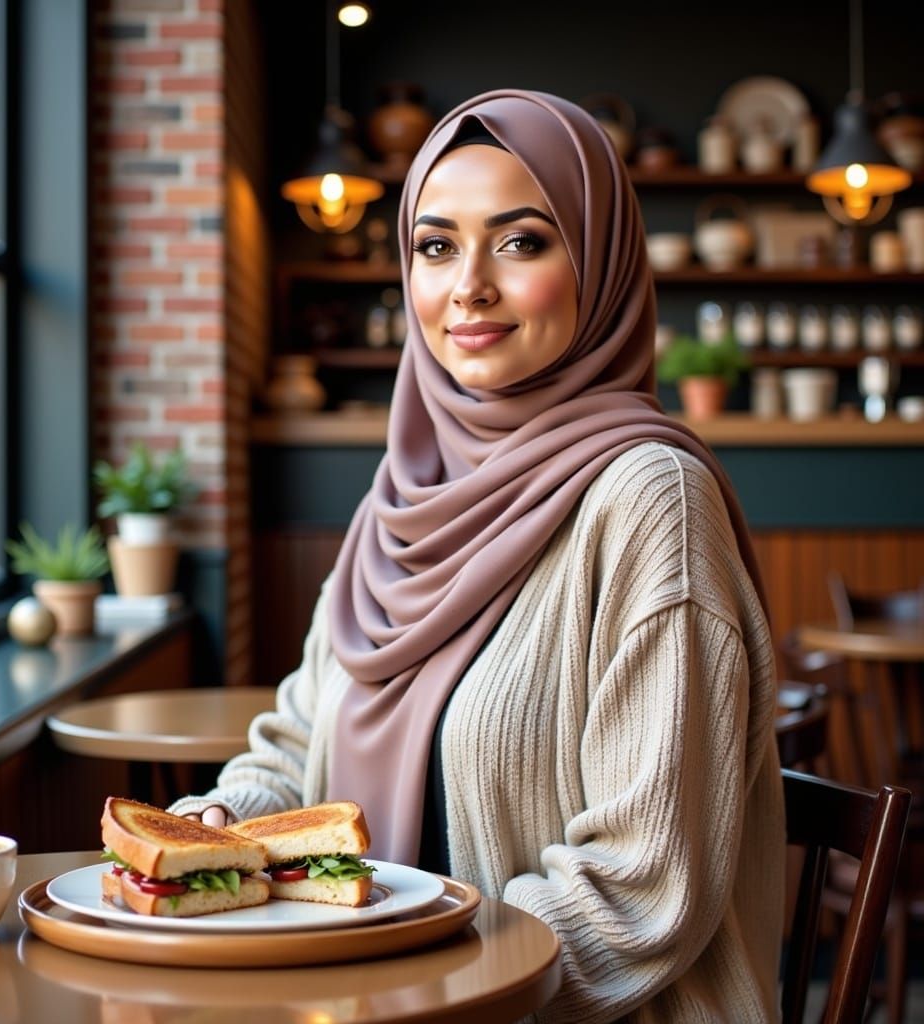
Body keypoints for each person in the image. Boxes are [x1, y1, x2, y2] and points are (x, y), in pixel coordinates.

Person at [171, 89, 784, 1022]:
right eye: (436, 245)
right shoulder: (403, 496)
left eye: (522, 241)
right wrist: (223, 826)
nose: (469, 287)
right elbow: (298, 747)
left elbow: (644, 885)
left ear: (602, 264)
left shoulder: (652, 503)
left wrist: (413, 980)